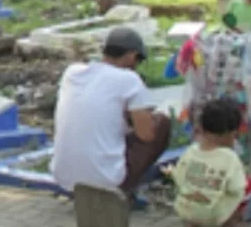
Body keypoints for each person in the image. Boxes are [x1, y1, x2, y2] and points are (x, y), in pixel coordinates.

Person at [51, 27, 171, 222]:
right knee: (162, 124)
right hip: (104, 178)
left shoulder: (72, 72)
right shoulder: (129, 79)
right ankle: (124, 191)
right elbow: (146, 135)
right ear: (132, 56)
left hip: (64, 175)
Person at [171, 99, 251, 227]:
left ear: (201, 128)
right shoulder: (230, 158)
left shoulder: (190, 152)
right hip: (215, 214)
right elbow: (237, 187)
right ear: (232, 133)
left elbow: (179, 178)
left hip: (188, 211)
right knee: (243, 191)